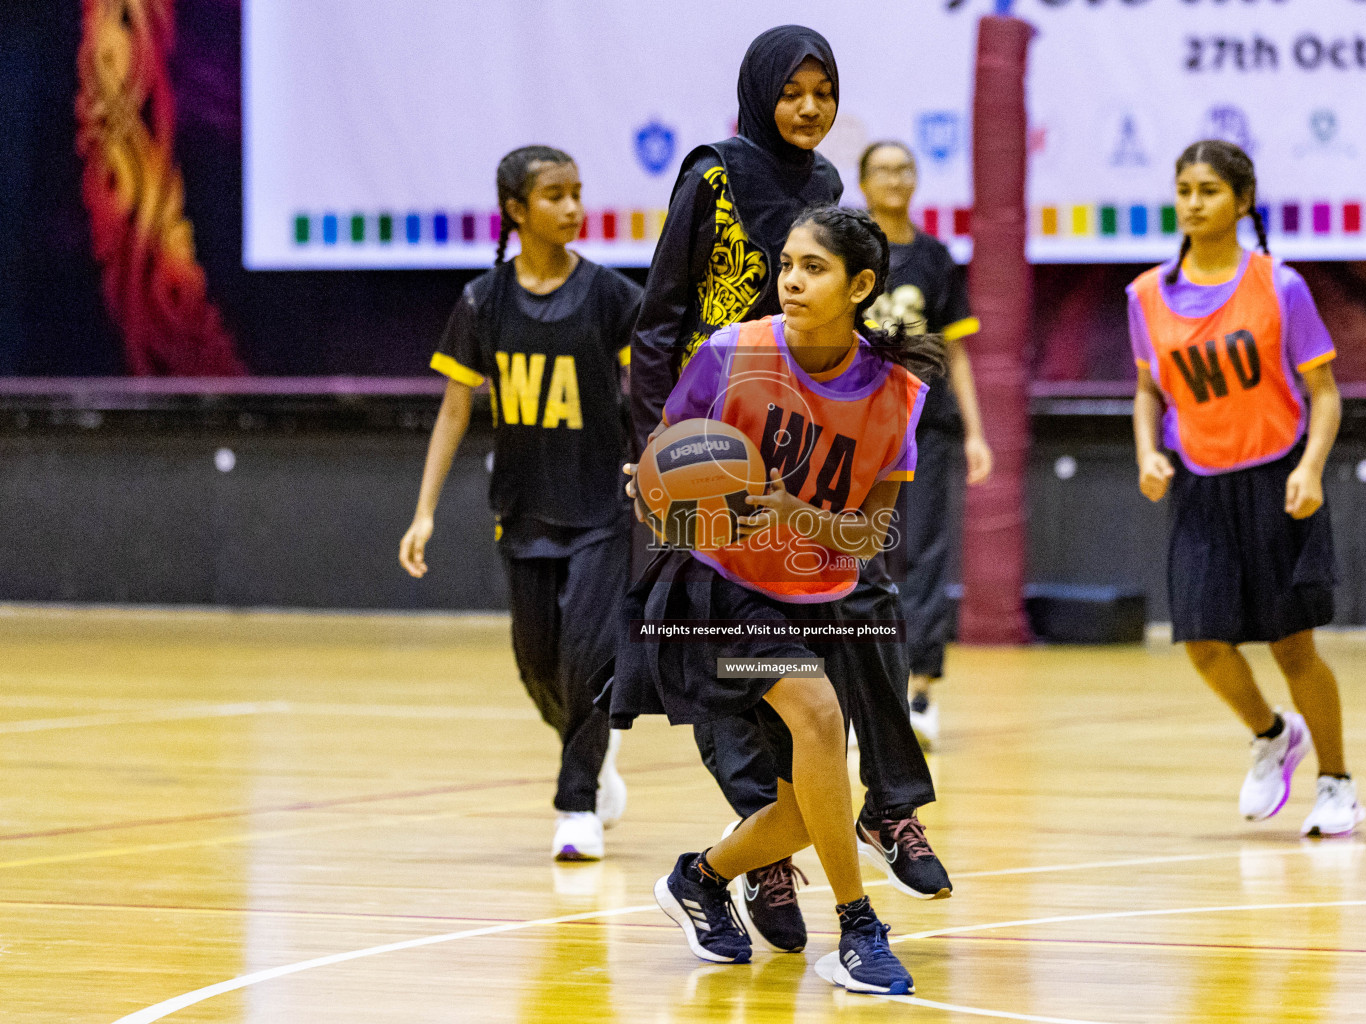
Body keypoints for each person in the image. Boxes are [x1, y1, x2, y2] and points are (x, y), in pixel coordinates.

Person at [629, 25, 951, 953]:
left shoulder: (825, 190)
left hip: (804, 426)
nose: (809, 108)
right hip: (714, 435)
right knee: (746, 675)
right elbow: (661, 320)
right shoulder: (713, 175)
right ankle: (765, 859)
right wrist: (656, 445)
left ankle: (880, 809)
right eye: (793, 90)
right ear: (758, 89)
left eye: (825, 91)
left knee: (867, 608)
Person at [399, 145, 642, 860]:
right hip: (525, 505)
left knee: (588, 654)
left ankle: (578, 805)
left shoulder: (611, 296)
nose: (572, 207)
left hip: (602, 506)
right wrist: (424, 512)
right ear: (516, 209)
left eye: (577, 193)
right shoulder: (484, 302)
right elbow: (452, 413)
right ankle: (595, 755)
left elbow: (655, 393)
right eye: (554, 195)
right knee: (538, 664)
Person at [1129, 139, 1364, 838]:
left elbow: (1324, 394)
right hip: (1199, 485)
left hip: (1277, 480)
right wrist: (1147, 451)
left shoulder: (1279, 286)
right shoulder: (1146, 295)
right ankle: (1270, 734)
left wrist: (1310, 467)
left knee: (1293, 647)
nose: (1193, 203)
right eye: (1184, 190)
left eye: (1207, 190)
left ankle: (1337, 782)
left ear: (1242, 202)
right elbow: (1146, 389)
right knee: (1202, 640)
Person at [859, 140, 993, 750]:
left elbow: (957, 353)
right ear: (861, 183)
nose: (896, 178)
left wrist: (976, 432)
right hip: (855, 429)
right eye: (883, 169)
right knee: (858, 559)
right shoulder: (842, 251)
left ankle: (919, 691)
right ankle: (861, 693)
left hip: (927, 428)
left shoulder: (936, 257)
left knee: (926, 556)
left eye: (904, 168)